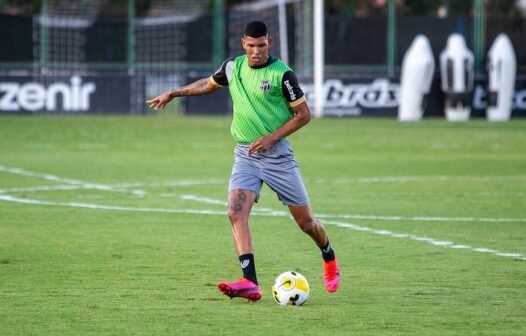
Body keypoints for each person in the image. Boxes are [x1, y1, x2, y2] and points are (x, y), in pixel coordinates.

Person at [147, 21, 340, 302]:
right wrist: (173, 93)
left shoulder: (282, 75)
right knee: (235, 212)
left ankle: (328, 254)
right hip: (245, 155)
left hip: (277, 157)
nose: (256, 51)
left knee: (306, 223)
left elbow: (304, 115)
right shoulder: (232, 67)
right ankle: (250, 282)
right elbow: (207, 85)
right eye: (251, 46)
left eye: (261, 46)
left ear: (269, 43)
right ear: (243, 44)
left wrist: (272, 138)